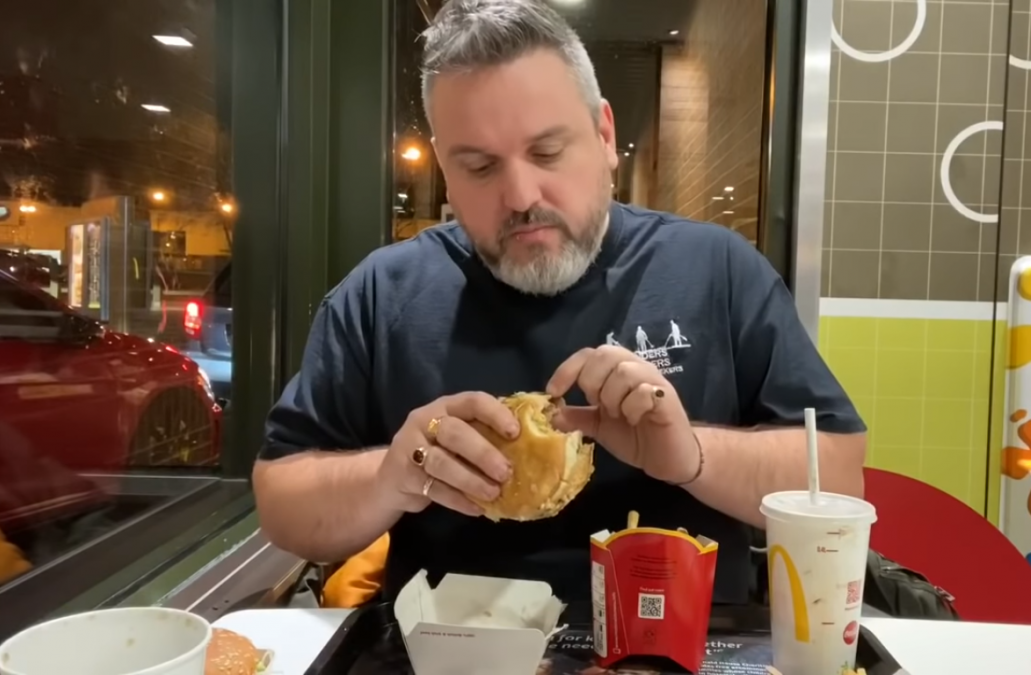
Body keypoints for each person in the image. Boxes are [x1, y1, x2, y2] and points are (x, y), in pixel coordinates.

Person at [253, 0, 866, 609]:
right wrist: (394, 472)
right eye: (480, 166)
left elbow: (837, 473)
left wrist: (692, 455)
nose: (521, 195)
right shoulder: (383, 295)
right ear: (445, 168)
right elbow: (283, 502)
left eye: (547, 152)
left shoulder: (717, 270)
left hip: (684, 643)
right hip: (449, 651)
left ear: (604, 136)